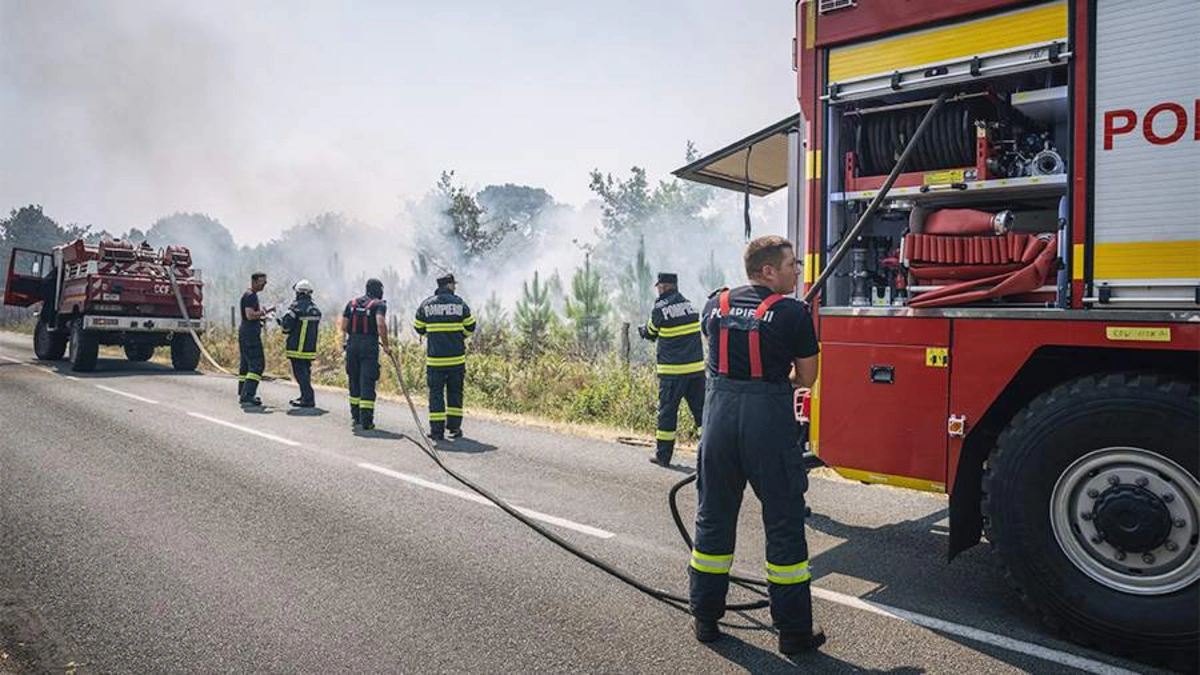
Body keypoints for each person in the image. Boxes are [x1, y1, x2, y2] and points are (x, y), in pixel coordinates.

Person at [688, 235, 824, 655]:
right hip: (768, 422)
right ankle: (794, 633)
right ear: (768, 271)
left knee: (713, 517)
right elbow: (806, 379)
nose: (798, 273)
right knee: (783, 526)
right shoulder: (793, 314)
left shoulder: (714, 304)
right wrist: (769, 382)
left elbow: (717, 358)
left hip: (719, 419)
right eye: (791, 266)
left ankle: (706, 619)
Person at [638, 272, 704, 467]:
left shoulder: (660, 309)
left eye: (659, 286)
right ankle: (708, 454)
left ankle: (663, 456)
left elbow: (651, 332)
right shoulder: (690, 306)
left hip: (673, 373)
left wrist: (643, 330)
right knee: (702, 415)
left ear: (664, 287)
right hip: (696, 372)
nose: (658, 289)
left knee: (667, 414)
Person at [413, 273, 475, 441]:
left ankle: (437, 432)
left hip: (435, 360)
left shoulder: (426, 305)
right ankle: (454, 428)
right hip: (456, 360)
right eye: (453, 284)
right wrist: (459, 336)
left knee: (436, 395)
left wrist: (433, 334)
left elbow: (419, 327)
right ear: (448, 285)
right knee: (455, 393)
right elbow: (471, 326)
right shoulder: (460, 304)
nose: (455, 287)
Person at [340, 278, 392, 430]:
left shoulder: (352, 303)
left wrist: (346, 343)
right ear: (378, 289)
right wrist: (386, 346)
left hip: (352, 345)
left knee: (354, 381)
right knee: (367, 382)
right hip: (369, 346)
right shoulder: (379, 305)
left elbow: (343, 326)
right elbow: (381, 324)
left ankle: (356, 417)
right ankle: (367, 421)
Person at [278, 279, 321, 408]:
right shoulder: (315, 309)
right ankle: (304, 396)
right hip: (309, 348)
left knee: (299, 373)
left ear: (299, 293)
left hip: (297, 347)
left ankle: (308, 398)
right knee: (305, 372)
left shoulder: (295, 308)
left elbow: (286, 327)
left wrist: (280, 322)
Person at [238, 272, 274, 407]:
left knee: (246, 365)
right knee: (257, 364)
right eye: (262, 282)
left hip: (246, 333)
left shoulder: (250, 295)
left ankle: (243, 391)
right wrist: (265, 312)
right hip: (250, 335)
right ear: (254, 281)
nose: (264, 285)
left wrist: (262, 317)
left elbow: (251, 315)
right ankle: (248, 395)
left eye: (265, 282)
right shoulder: (250, 296)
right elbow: (250, 315)